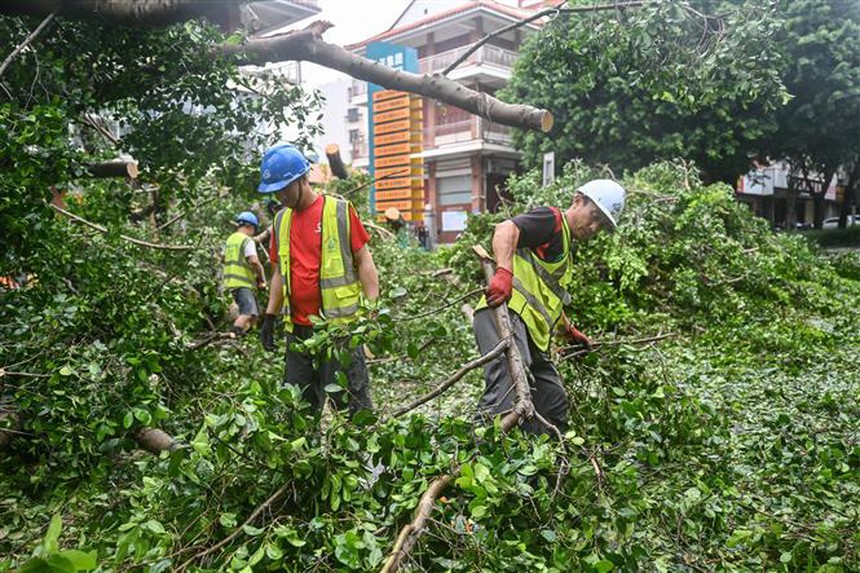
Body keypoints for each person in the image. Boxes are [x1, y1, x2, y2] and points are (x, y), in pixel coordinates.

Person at [473, 179, 626, 435]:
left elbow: (547, 299)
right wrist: (504, 272)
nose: (594, 227)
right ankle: (477, 451)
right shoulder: (551, 221)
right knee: (506, 394)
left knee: (552, 399)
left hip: (532, 334)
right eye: (594, 216)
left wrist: (569, 331)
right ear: (578, 201)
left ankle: (542, 457)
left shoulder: (565, 249)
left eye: (601, 224)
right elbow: (506, 229)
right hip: (505, 313)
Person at [257, 143, 379, 418]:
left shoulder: (338, 211)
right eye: (276, 191)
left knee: (351, 407)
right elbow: (279, 274)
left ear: (302, 179)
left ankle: (362, 446)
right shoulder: (280, 221)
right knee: (297, 408)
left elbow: (365, 261)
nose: (280, 195)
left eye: (285, 188)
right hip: (299, 332)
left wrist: (372, 312)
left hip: (339, 330)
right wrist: (270, 316)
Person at [222, 211, 267, 336]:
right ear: (250, 227)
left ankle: (245, 336)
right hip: (242, 282)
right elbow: (254, 261)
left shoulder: (230, 240)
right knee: (248, 313)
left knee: (254, 316)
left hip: (230, 282)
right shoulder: (247, 240)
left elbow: (223, 258)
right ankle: (232, 335)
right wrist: (261, 278)